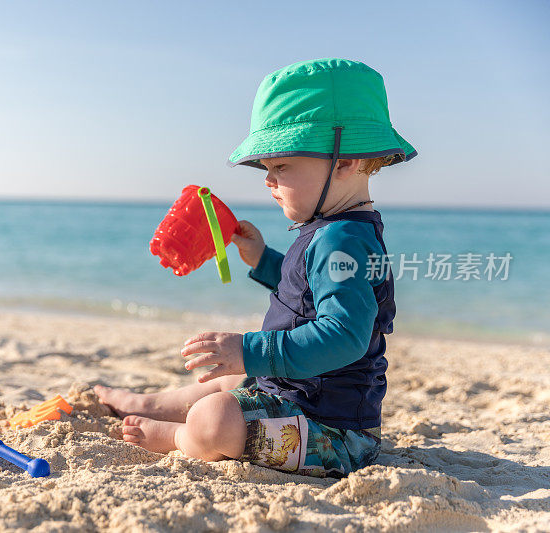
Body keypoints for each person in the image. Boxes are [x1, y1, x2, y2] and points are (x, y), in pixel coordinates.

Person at [95, 58, 417, 477]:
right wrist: (264, 261)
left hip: (334, 432)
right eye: (267, 169)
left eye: (281, 167)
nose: (268, 181)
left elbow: (344, 335)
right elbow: (311, 293)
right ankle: (148, 404)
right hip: (295, 397)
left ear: (344, 162)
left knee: (215, 418)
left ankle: (175, 436)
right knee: (226, 384)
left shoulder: (343, 239)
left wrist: (249, 351)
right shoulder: (333, 230)